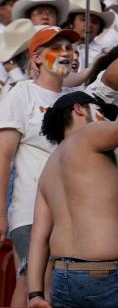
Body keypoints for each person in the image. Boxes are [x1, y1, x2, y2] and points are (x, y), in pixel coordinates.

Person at [26, 36, 118, 308]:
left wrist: (35, 294)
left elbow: (39, 237)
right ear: (79, 109)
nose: (104, 117)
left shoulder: (50, 167)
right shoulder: (90, 134)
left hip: (63, 280)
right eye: (100, 111)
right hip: (107, 276)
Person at [0, 26, 79, 306]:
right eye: (56, 48)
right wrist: (0, 213)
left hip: (72, 213)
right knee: (40, 285)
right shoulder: (22, 93)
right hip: (29, 210)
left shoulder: (76, 97)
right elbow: (3, 157)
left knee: (31, 283)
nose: (66, 53)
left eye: (69, 48)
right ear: (36, 58)